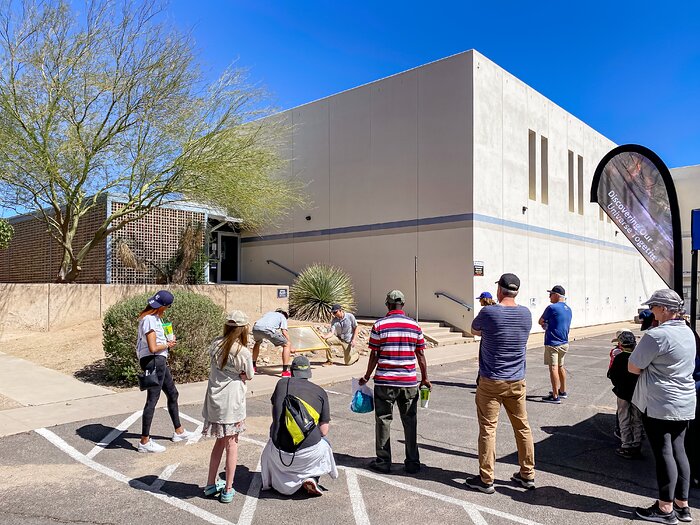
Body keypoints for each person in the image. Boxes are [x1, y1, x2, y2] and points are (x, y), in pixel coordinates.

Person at [629, 289, 696, 524]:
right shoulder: (688, 332)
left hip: (660, 402)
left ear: (665, 309)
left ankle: (665, 509)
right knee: (679, 450)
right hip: (684, 400)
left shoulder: (656, 335)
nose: (651, 310)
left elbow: (633, 366)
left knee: (664, 452)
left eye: (654, 306)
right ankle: (683, 506)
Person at [466, 273, 535, 494]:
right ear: (517, 291)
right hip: (517, 379)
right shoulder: (526, 313)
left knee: (488, 429)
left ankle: (486, 479)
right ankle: (527, 474)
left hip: (492, 380)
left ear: (499, 290)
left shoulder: (489, 312)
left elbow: (474, 330)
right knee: (522, 427)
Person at [359, 290, 431, 474]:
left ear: (388, 305)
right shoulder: (414, 326)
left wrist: (367, 375)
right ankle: (413, 462)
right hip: (408, 382)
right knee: (410, 421)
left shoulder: (380, 325)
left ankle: (383, 461)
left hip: (385, 381)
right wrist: (425, 378)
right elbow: (420, 354)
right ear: (403, 305)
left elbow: (374, 354)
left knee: (383, 421)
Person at [260, 355, 338, 496]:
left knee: (270, 446)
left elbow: (275, 413)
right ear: (308, 372)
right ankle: (312, 477)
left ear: (292, 371)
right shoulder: (320, 392)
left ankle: (282, 481)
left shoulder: (281, 384)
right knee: (325, 444)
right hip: (309, 454)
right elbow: (324, 430)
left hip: (280, 453)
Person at [201, 310, 254, 503]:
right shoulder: (243, 352)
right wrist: (240, 375)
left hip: (215, 400)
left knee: (219, 443)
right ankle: (228, 488)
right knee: (232, 445)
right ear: (242, 329)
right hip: (232, 403)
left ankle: (210, 484)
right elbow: (249, 374)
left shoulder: (215, 344)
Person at [136, 290, 194, 453]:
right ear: (164, 306)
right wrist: (168, 344)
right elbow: (153, 347)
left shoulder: (152, 318)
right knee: (152, 400)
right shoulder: (149, 320)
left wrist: (168, 343)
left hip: (158, 360)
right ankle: (144, 441)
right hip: (154, 360)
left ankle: (179, 431)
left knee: (173, 393)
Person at [607, 330, 644, 459]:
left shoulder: (619, 358)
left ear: (621, 345)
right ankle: (637, 442)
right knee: (637, 418)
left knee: (624, 417)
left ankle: (626, 444)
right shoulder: (639, 358)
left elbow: (612, 375)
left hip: (622, 392)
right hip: (637, 393)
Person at [539, 285, 572, 404]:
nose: (549, 297)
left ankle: (555, 396)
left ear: (557, 295)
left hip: (553, 343)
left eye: (551, 294)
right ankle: (562, 391)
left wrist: (545, 324)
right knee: (560, 367)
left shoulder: (551, 308)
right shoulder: (568, 309)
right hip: (564, 343)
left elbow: (540, 321)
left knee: (553, 368)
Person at [252, 308, 293, 377]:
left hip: (256, 328)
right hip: (268, 329)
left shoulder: (269, 313)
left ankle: (253, 367)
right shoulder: (282, 317)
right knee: (287, 345)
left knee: (257, 342)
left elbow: (258, 323)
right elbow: (284, 332)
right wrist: (291, 346)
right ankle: (285, 371)